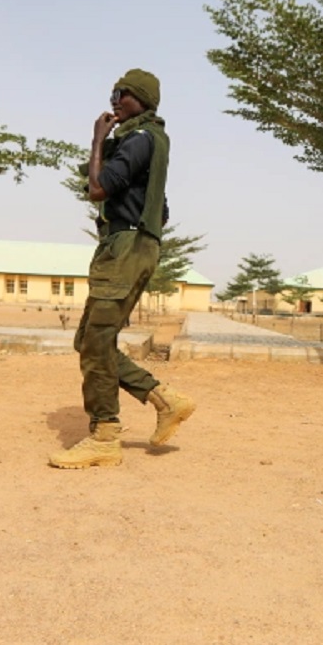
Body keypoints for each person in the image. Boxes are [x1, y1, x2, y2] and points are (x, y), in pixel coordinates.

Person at [49, 69, 196, 469]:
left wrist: (98, 140)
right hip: (133, 245)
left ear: (143, 99)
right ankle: (165, 400)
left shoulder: (140, 140)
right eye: (113, 93)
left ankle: (104, 436)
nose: (114, 100)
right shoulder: (152, 142)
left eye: (123, 94)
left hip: (125, 248)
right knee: (89, 341)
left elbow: (97, 189)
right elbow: (161, 210)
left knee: (95, 343)